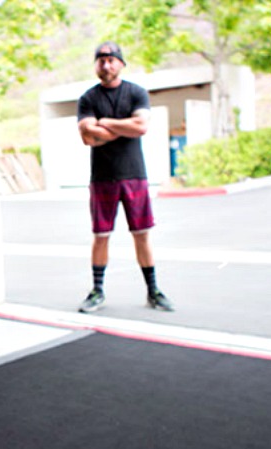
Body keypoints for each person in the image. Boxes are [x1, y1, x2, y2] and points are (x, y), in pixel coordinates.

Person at [76, 41, 174, 313]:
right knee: (101, 235)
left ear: (121, 63)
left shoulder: (136, 93)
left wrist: (105, 123)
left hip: (134, 174)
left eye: (111, 60)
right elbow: (87, 136)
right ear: (96, 65)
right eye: (101, 60)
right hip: (102, 177)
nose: (106, 65)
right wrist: (124, 127)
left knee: (141, 234)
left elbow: (141, 126)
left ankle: (153, 291)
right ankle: (97, 291)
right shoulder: (88, 99)